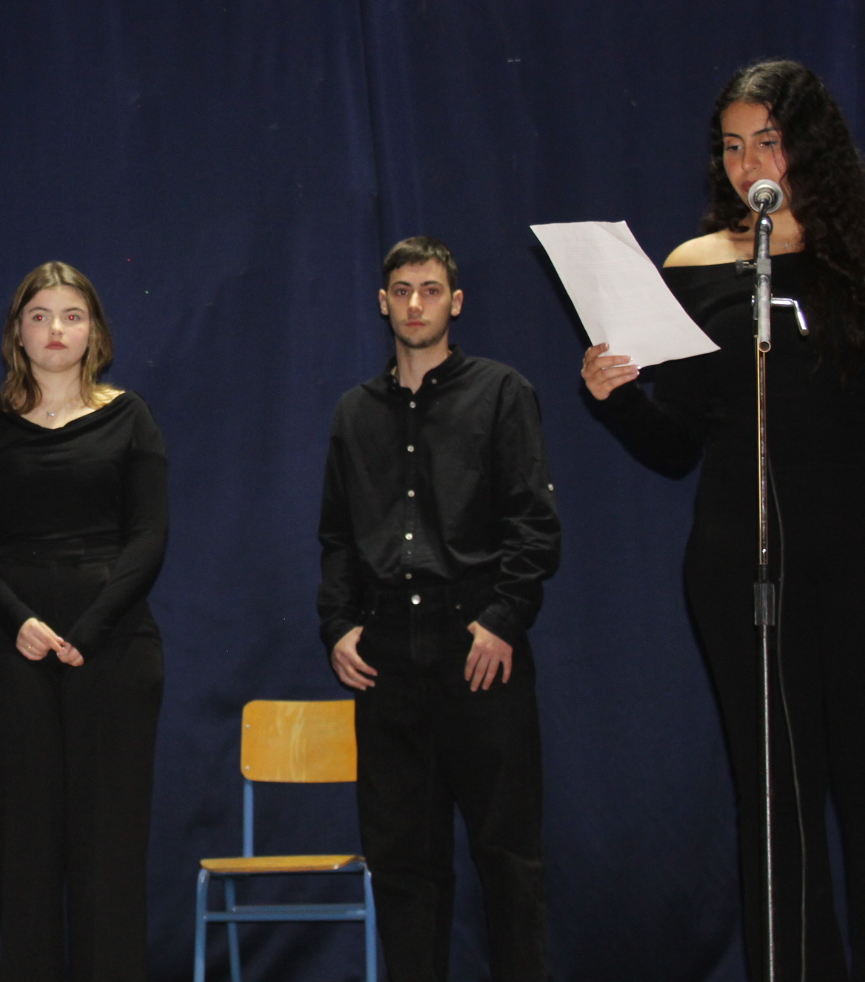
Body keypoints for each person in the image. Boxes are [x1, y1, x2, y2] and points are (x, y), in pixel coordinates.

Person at [582, 59, 865, 981]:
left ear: (807, 145)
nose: (750, 166)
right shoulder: (694, 268)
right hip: (740, 563)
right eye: (734, 148)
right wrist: (618, 399)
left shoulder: (855, 254)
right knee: (777, 797)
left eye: (768, 143)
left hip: (852, 557)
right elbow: (677, 447)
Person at [317, 236, 560, 982]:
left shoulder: (501, 393)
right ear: (382, 302)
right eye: (401, 291)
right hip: (388, 650)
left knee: (507, 853)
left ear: (455, 302)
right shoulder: (355, 412)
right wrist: (339, 624)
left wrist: (504, 618)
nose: (414, 304)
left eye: (429, 290)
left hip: (476, 640)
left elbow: (534, 524)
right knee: (402, 861)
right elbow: (337, 536)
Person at [0, 260, 168, 982]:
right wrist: (19, 620)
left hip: (114, 649)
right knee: (27, 853)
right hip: (9, 650)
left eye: (72, 316)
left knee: (110, 856)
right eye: (39, 316)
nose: (55, 330)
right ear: (17, 332)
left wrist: (91, 628)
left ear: (94, 331)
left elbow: (149, 537)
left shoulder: (131, 417)